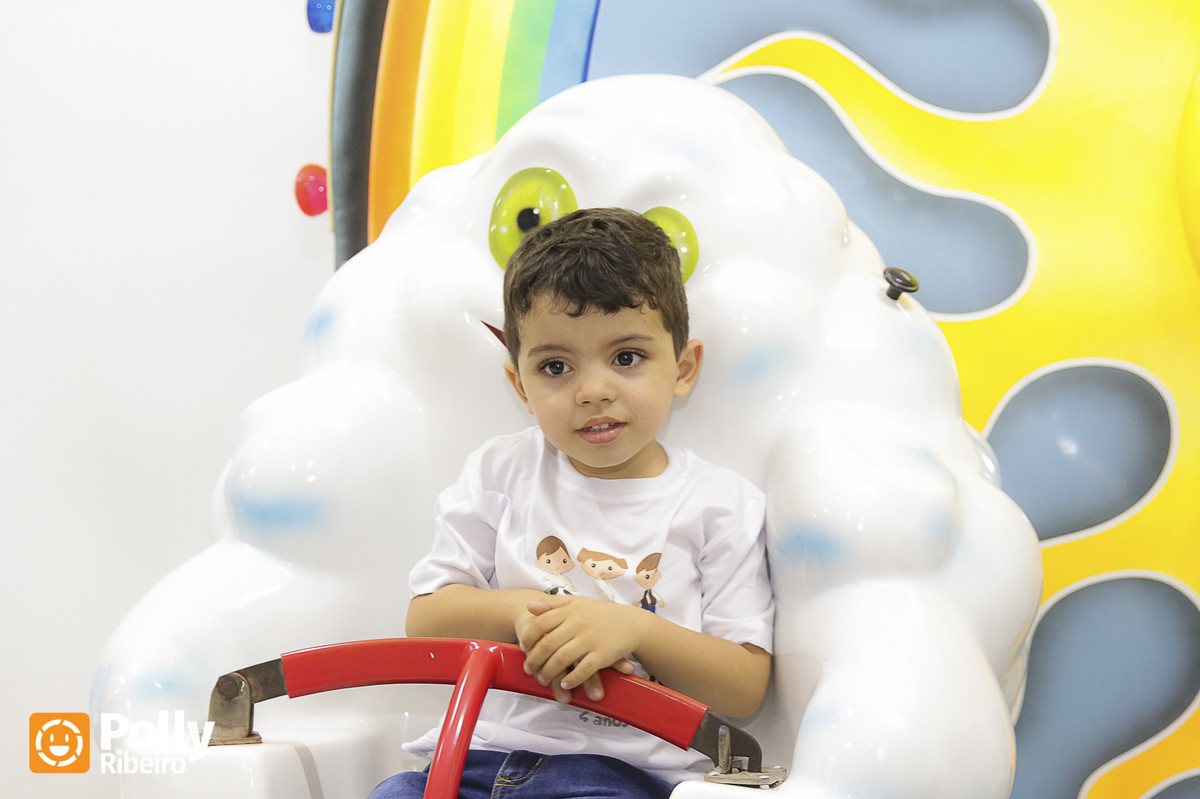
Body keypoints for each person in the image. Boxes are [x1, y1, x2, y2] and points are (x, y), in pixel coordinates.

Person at [370, 207, 773, 799]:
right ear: (520, 386)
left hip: (624, 779)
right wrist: (524, 612)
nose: (593, 391)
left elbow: (744, 686)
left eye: (627, 357)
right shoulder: (499, 471)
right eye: (555, 367)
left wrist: (633, 629)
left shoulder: (721, 504)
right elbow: (426, 621)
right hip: (473, 762)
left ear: (683, 369)